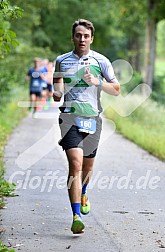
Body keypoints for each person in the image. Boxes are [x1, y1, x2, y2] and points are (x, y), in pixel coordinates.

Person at [53, 19, 120, 234]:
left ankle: (83, 192)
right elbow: (57, 85)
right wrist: (56, 93)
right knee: (76, 164)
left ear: (91, 38)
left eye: (86, 36)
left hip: (93, 119)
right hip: (69, 118)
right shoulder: (61, 61)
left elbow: (116, 89)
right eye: (78, 35)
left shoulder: (101, 61)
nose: (82, 39)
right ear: (72, 37)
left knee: (88, 168)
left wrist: (98, 82)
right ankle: (76, 216)